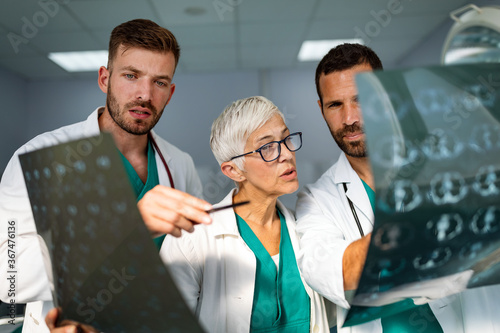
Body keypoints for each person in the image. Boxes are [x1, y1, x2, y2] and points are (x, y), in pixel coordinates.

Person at [0, 19, 213, 333]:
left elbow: (193, 258)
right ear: (105, 78)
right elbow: (9, 277)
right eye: (131, 75)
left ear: (170, 92)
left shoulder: (180, 164)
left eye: (160, 82)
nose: (145, 94)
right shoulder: (38, 156)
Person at [295, 43, 500, 332]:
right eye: (335, 105)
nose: (350, 118)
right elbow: (334, 272)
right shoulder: (316, 200)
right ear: (321, 108)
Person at [160, 96, 334, 332]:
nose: (286, 154)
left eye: (286, 139)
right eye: (267, 147)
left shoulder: (308, 229)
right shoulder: (191, 239)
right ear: (234, 170)